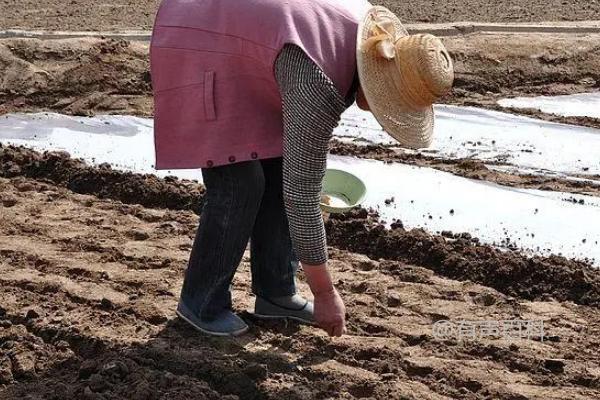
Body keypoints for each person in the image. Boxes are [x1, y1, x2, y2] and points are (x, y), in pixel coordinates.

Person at [150, 0, 454, 337]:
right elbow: (302, 198)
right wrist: (325, 293)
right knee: (241, 184)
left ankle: (276, 292)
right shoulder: (317, 82)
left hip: (251, 42)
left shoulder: (363, 27)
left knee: (280, 167)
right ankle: (200, 304)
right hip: (201, 37)